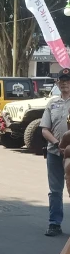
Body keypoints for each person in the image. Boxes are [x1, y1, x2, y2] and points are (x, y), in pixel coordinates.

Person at [40, 68, 70, 236]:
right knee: (55, 190)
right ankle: (54, 223)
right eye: (62, 80)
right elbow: (45, 129)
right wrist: (57, 142)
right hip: (54, 152)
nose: (65, 82)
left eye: (68, 79)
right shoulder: (52, 103)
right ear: (57, 83)